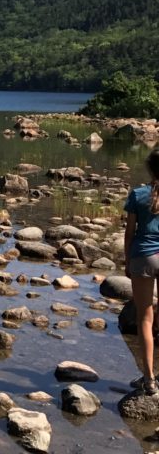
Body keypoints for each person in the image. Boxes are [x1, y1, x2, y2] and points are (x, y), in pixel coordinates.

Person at [125, 149, 159, 394]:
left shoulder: (138, 194)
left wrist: (127, 260)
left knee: (145, 319)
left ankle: (148, 380)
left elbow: (130, 233)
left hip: (144, 256)